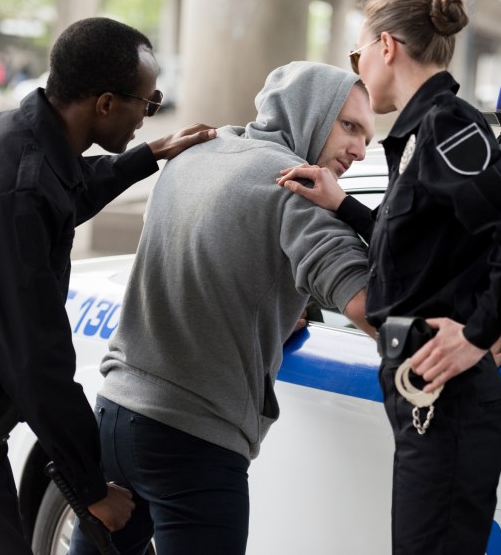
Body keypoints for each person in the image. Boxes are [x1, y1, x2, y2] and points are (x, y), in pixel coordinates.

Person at [0, 17, 216, 555]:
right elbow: (35, 358)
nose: (148, 113)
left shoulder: (22, 142)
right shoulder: (11, 188)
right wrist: (89, 488)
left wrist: (148, 156)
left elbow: (66, 191)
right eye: (148, 102)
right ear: (106, 104)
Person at [278, 0, 501, 554]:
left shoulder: (446, 126)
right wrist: (343, 205)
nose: (356, 69)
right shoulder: (420, 132)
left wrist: (477, 333)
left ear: (386, 47)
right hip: (426, 394)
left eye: (356, 56)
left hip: (447, 395)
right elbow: (421, 248)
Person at [67, 61, 376, 555]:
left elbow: (207, 263)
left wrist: (266, 321)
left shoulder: (195, 153)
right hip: (194, 443)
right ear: (311, 112)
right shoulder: (294, 188)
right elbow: (370, 307)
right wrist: (454, 352)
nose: (360, 150)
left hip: (115, 416)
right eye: (350, 126)